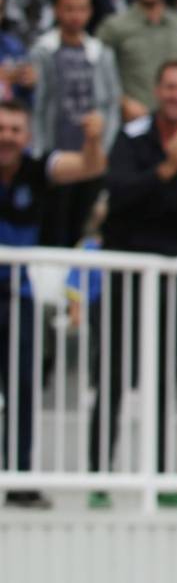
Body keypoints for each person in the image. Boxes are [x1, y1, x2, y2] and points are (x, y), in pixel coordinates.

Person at [91, 60, 177, 510]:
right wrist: (164, 172)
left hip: (171, 276)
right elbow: (119, 194)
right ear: (156, 89)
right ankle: (97, 478)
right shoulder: (131, 137)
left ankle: (159, 477)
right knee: (111, 375)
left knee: (161, 380)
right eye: (169, 87)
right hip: (124, 272)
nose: (176, 95)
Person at [0, 102, 106, 509]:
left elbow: (89, 167)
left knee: (23, 387)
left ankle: (20, 478)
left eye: (14, 129)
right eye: (2, 128)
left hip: (17, 295)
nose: (7, 136)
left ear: (26, 136)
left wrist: (93, 139)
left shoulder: (36, 168)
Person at [29, 0, 121, 247]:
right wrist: (38, 148)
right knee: (51, 228)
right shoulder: (42, 50)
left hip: (91, 154)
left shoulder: (101, 53)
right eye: (68, 9)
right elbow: (38, 104)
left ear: (90, 11)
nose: (75, 15)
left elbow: (111, 103)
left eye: (81, 9)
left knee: (83, 230)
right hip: (52, 153)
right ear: (57, 11)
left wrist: (105, 146)